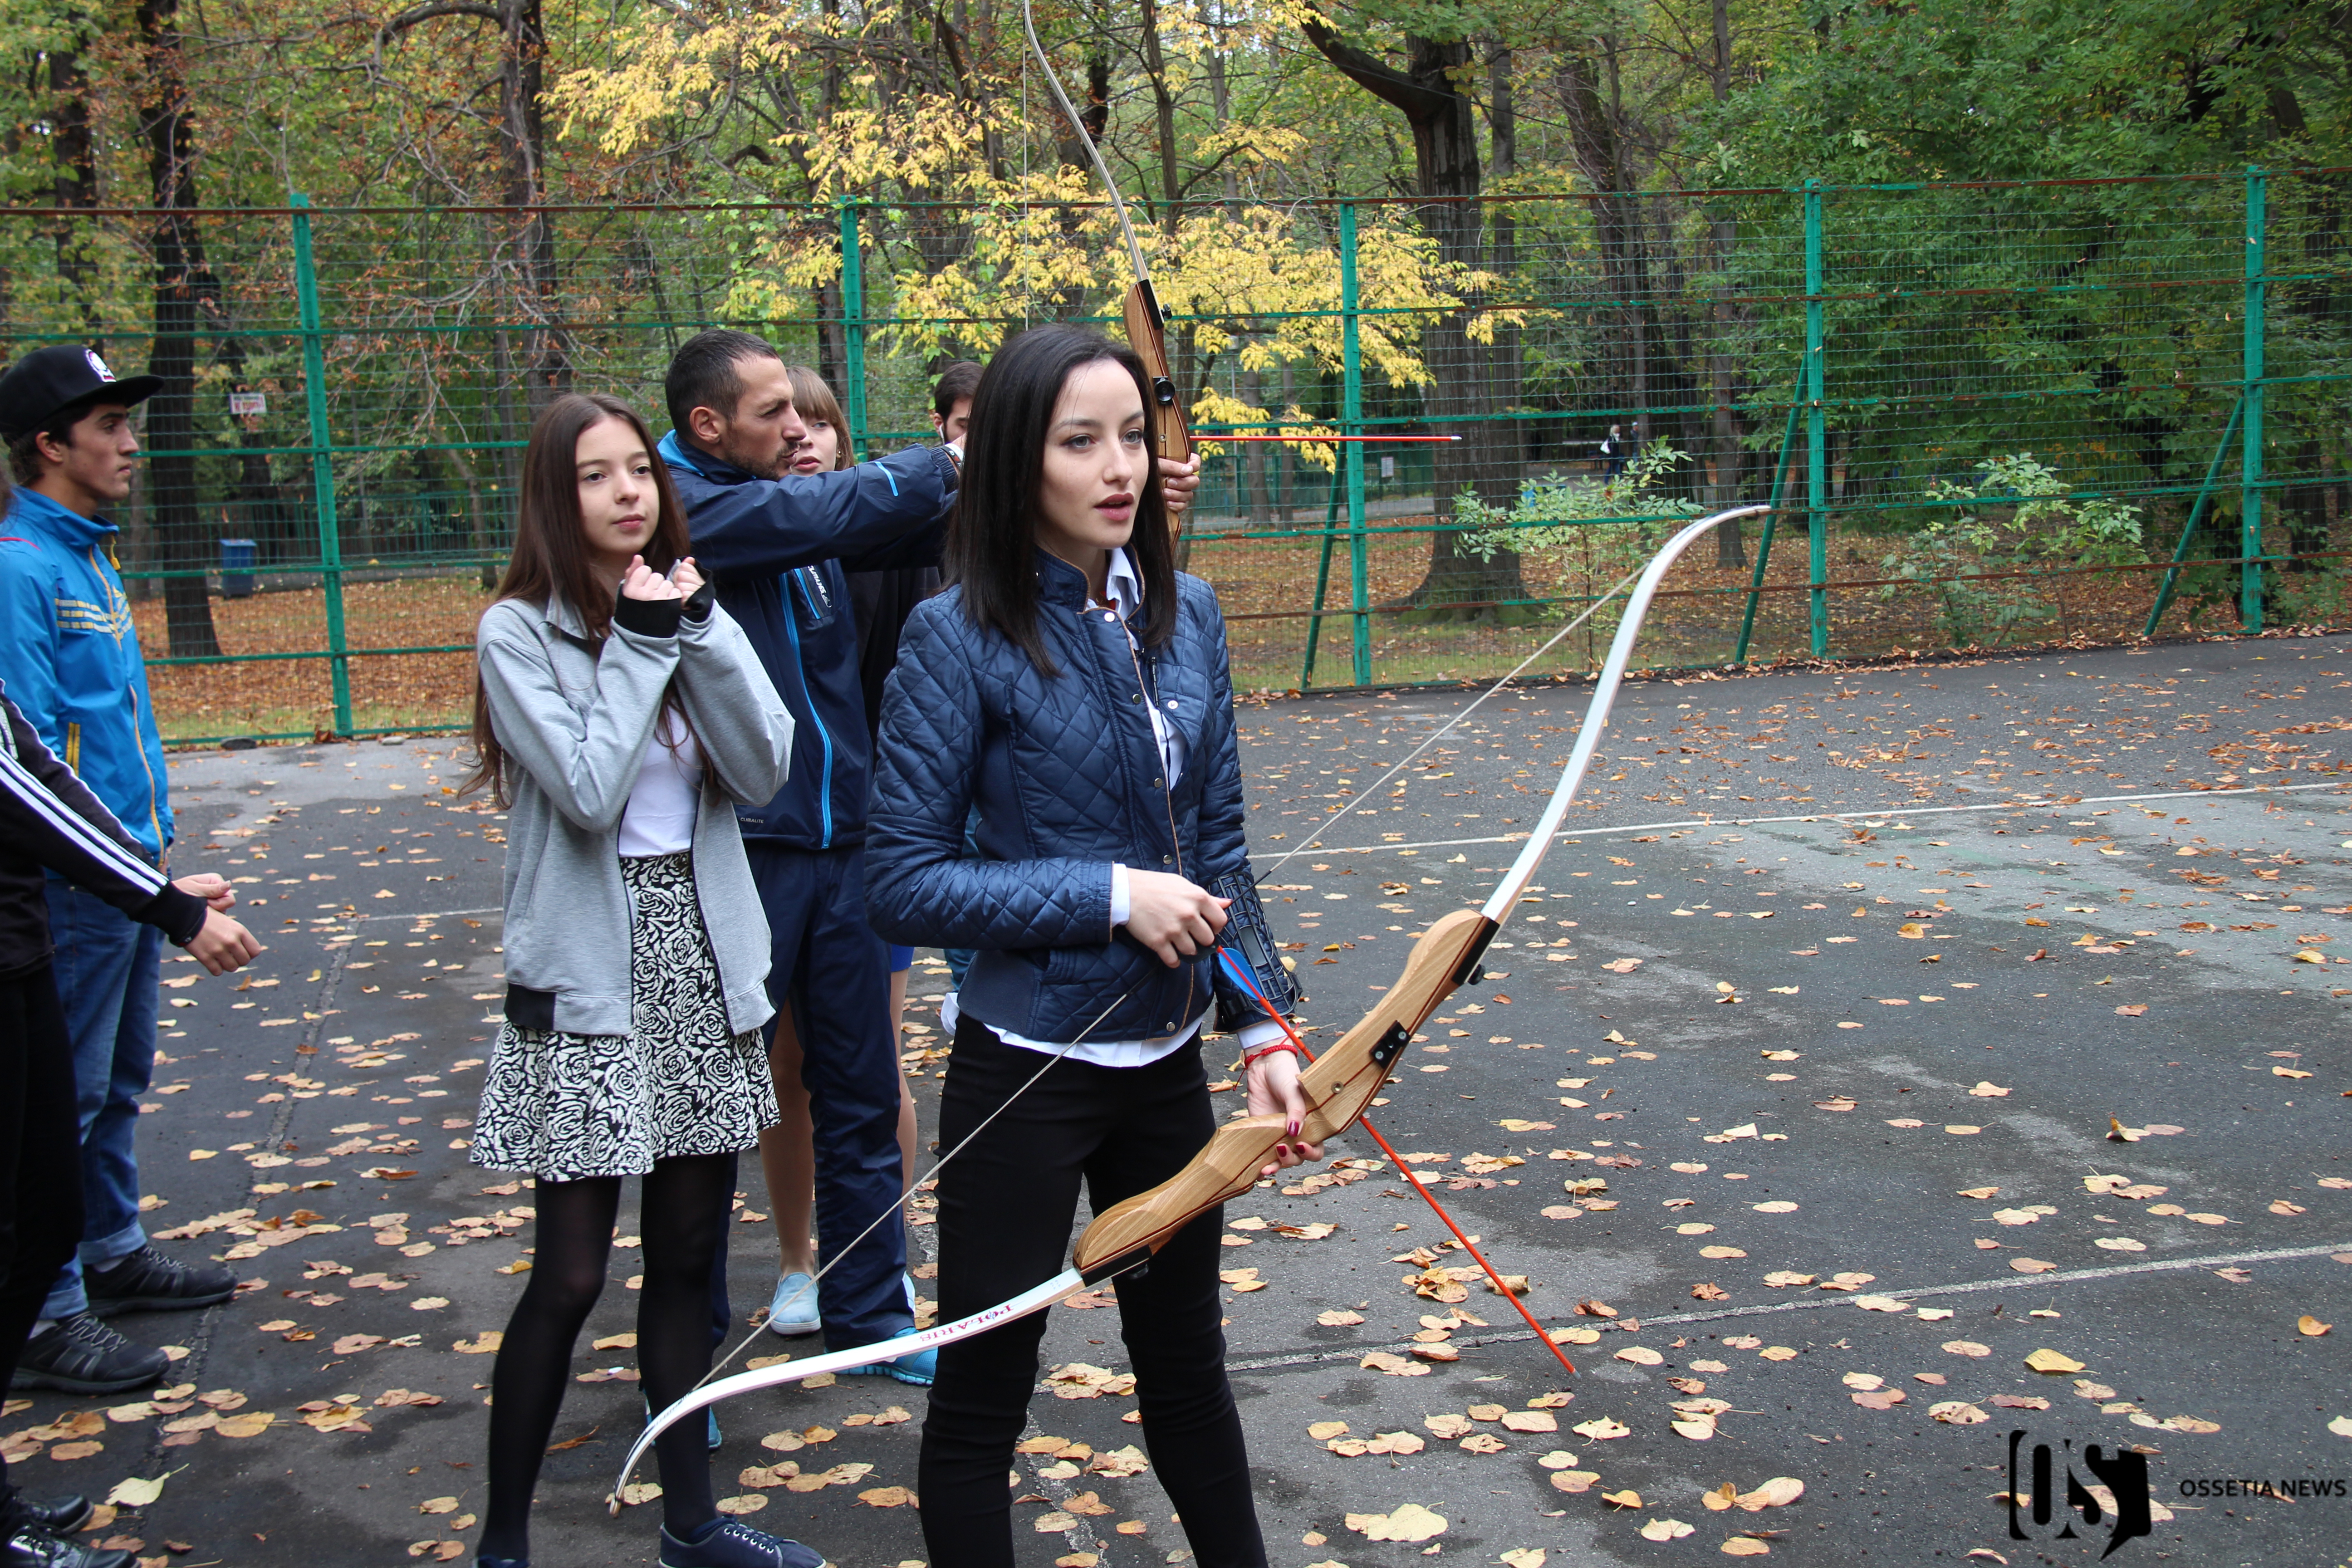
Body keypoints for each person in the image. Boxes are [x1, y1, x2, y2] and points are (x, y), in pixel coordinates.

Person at [864, 324, 1316, 1568]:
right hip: (1023, 1077)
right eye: (1081, 443)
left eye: (1133, 435)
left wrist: (1265, 1022)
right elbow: (900, 882)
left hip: (1166, 1076)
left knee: (1187, 1377)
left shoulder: (1190, 616)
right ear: (1019, 461)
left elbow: (1218, 851)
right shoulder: (955, 637)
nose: (1121, 467)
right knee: (978, 1408)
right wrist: (1110, 895)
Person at [463, 392, 808, 1568]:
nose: (627, 493)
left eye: (636, 474)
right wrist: (647, 646)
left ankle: (692, 1524)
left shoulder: (682, 605)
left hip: (704, 960)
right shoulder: (517, 631)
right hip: (592, 972)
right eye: (594, 477)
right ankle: (503, 1544)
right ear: (554, 502)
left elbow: (767, 766)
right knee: (566, 1275)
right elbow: (590, 789)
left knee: (689, 1262)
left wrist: (700, 623)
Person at [0, 345, 239, 1397]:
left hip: (131, 865)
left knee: (120, 1081)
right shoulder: (19, 567)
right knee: (72, 1089)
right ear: (51, 445)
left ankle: (111, 1248)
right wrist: (136, 880)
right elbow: (34, 758)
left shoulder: (85, 555)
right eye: (107, 427)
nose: (130, 442)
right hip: (75, 886)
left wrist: (157, 859)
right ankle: (50, 1313)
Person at [1, 664, 262, 1568]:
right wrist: (166, 905)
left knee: (42, 1221)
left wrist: (146, 871)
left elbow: (36, 766)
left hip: (21, 949)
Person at [756, 364, 923, 1340]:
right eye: (783, 422)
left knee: (872, 1070)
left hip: (870, 845)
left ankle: (880, 1276)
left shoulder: (880, 545)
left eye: (819, 422)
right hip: (767, 852)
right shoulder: (738, 540)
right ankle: (795, 1264)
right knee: (783, 1065)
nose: (804, 437)